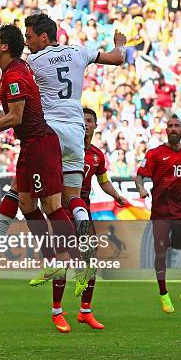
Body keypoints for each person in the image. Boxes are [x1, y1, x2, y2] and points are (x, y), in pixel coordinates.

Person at [0, 14, 126, 291]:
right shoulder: (78, 52)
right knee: (73, 197)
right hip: (76, 131)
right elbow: (117, 58)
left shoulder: (31, 62)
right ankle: (83, 242)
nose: (26, 42)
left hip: (46, 132)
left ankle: (18, 251)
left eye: (30, 36)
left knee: (27, 197)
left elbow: (16, 81)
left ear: (43, 37)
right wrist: (120, 43)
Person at [47, 107, 127, 332]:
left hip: (84, 213)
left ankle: (85, 311)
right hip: (63, 212)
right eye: (82, 120)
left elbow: (103, 181)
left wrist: (116, 195)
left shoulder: (97, 155)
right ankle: (56, 312)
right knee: (62, 261)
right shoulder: (63, 150)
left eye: (89, 120)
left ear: (94, 125)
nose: (86, 124)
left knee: (91, 260)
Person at [135, 115, 181, 314]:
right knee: (161, 251)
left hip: (180, 212)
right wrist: (142, 188)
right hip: (161, 212)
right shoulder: (155, 154)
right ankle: (164, 294)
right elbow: (139, 176)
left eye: (176, 126)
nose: (173, 129)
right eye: (169, 126)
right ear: (166, 130)